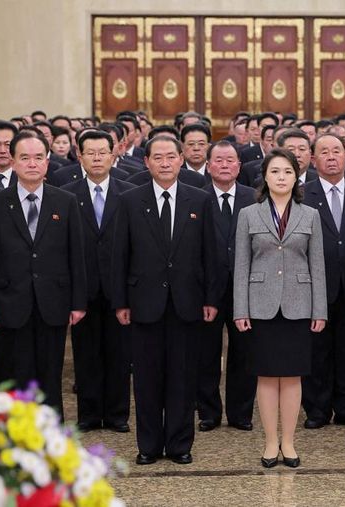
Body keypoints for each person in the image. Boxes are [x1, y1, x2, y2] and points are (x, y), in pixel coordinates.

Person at [111, 136, 221, 466]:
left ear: (180, 160)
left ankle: (178, 444)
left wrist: (211, 298)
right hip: (143, 302)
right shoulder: (130, 200)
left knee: (182, 377)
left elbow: (211, 254)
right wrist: (120, 301)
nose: (164, 163)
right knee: (146, 379)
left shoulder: (199, 200)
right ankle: (148, 445)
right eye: (157, 157)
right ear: (146, 162)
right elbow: (119, 255)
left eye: (171, 157)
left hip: (187, 302)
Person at [0, 131, 87, 411]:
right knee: (15, 377)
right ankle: (17, 444)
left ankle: (51, 444)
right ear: (12, 162)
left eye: (39, 158)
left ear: (48, 162)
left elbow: (77, 256)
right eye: (24, 158)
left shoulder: (66, 201)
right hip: (10, 304)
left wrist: (78, 302)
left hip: (53, 302)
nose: (32, 164)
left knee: (50, 378)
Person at [233, 148, 327, 469]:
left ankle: (289, 441)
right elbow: (241, 265)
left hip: (299, 304)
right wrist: (240, 309)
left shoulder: (309, 214)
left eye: (288, 172)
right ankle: (270, 441)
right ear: (265, 176)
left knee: (292, 377)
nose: (281, 177)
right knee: (266, 376)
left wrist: (320, 310)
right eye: (275, 172)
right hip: (260, 305)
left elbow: (318, 266)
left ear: (296, 177)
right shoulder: (248, 213)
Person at [61, 130, 135, 432]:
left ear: (113, 154)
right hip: (83, 288)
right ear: (80, 156)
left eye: (102, 152)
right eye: (89, 152)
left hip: (119, 288)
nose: (96, 158)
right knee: (86, 355)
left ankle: (117, 415)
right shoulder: (66, 194)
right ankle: (89, 415)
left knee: (120, 355)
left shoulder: (129, 193)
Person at [301, 134, 345, 430]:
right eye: (324, 152)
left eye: (337, 151)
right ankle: (317, 409)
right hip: (315, 285)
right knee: (316, 351)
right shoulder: (302, 194)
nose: (331, 157)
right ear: (314, 160)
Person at [196, 141, 257, 432]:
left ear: (239, 166)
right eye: (218, 160)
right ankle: (208, 412)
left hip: (245, 288)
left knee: (244, 353)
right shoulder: (196, 198)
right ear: (208, 166)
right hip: (205, 289)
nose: (224, 165)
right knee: (205, 353)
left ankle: (241, 413)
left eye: (229, 160)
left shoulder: (253, 197)